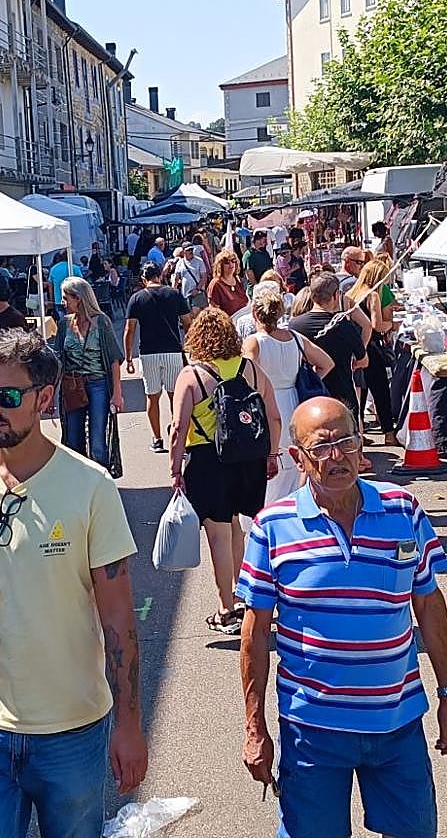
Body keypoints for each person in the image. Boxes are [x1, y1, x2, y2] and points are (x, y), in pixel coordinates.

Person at [0, 329, 147, 836]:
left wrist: (130, 723)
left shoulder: (90, 486)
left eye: (7, 395)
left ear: (45, 398)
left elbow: (118, 617)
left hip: (72, 729)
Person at [238, 397, 447, 838]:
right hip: (312, 731)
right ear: (298, 458)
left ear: (361, 445)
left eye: (346, 441)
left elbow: (429, 605)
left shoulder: (403, 509)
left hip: (398, 723)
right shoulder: (272, 527)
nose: (337, 456)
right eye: (321, 447)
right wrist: (254, 727)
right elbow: (255, 635)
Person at [169, 308, 281, 635]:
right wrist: (272, 454)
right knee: (236, 527)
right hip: (248, 458)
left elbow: (178, 428)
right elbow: (273, 416)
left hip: (207, 460)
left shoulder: (192, 375)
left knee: (217, 533)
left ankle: (226, 609)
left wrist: (175, 468)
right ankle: (243, 593)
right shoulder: (251, 369)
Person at [242, 286, 334, 505]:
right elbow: (326, 363)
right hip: (294, 400)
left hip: (267, 403)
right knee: (296, 462)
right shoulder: (295, 338)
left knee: (269, 463)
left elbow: (247, 373)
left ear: (255, 313)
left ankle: (269, 511)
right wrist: (306, 380)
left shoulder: (254, 342)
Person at [52, 277, 124, 466]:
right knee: (73, 440)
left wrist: (117, 394)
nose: (63, 302)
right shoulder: (64, 324)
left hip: (98, 384)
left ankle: (101, 478)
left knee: (98, 442)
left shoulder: (101, 322)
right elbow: (57, 361)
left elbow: (114, 359)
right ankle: (80, 478)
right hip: (72, 385)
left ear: (79, 298)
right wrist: (50, 393)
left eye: (66, 298)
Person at [125, 262, 193, 453]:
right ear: (160, 276)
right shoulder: (174, 294)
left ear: (143, 279)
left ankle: (157, 439)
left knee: (152, 397)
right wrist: (190, 345)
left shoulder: (137, 298)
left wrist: (129, 357)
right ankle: (178, 437)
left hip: (148, 353)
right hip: (172, 351)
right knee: (175, 397)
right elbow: (188, 322)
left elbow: (130, 330)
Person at [289, 271, 371, 414]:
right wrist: (354, 363)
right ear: (336, 295)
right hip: (342, 397)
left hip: (308, 395)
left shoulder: (295, 325)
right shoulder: (344, 326)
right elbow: (363, 361)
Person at [349, 260, 399, 446]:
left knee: (359, 392)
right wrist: (393, 325)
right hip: (371, 347)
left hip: (353, 348)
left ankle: (359, 433)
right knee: (380, 391)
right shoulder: (373, 295)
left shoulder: (351, 294)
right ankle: (389, 433)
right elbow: (377, 325)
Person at [208, 249, 248, 316]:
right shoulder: (216, 284)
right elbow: (214, 313)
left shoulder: (237, 279)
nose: (231, 265)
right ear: (220, 265)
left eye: (233, 261)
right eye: (226, 262)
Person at [174, 242, 208, 310]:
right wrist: (174, 291)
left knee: (199, 313)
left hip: (198, 293)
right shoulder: (180, 263)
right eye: (188, 250)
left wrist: (197, 289)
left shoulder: (199, 261)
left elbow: (204, 277)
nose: (191, 251)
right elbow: (176, 278)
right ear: (183, 251)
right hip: (185, 295)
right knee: (188, 314)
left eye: (192, 249)